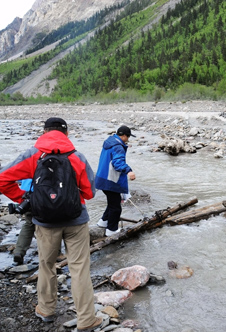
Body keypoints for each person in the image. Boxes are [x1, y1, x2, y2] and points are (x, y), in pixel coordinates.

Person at [0, 117, 103, 331]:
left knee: (46, 266)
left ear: (44, 131)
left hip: (45, 223)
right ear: (66, 133)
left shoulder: (32, 155)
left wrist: (26, 200)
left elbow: (3, 180)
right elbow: (90, 192)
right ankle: (86, 320)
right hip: (76, 222)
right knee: (79, 269)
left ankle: (46, 310)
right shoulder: (77, 156)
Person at [95, 125, 136, 236]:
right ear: (123, 136)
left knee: (113, 202)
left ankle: (103, 222)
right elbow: (117, 163)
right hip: (110, 180)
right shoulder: (118, 146)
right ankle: (111, 230)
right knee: (116, 207)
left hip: (101, 178)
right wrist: (129, 171)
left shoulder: (110, 141)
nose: (128, 139)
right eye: (128, 137)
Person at [12, 179, 35, 265]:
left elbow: (16, 179)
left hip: (25, 198)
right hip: (43, 197)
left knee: (29, 224)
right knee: (50, 226)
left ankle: (19, 252)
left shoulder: (27, 166)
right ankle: (55, 253)